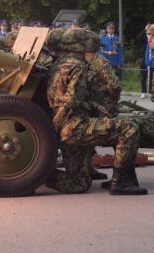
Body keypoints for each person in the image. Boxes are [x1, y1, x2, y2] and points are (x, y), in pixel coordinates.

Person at [45, 28, 145, 195]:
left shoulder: (57, 65)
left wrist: (93, 105)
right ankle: (120, 183)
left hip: (64, 129)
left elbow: (62, 97)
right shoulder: (78, 67)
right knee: (129, 127)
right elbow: (71, 100)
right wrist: (59, 124)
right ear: (78, 46)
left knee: (79, 184)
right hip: (74, 127)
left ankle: (43, 175)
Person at [84, 31, 121, 182]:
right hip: (94, 107)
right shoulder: (87, 62)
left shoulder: (100, 63)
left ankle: (120, 176)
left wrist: (109, 100)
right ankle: (89, 169)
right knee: (88, 141)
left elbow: (114, 86)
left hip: (105, 107)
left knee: (114, 139)